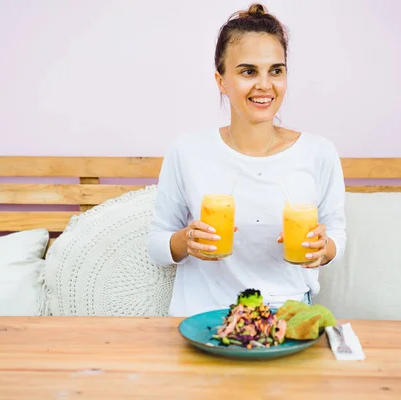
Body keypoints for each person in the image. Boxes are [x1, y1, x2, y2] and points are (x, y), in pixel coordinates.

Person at [147, 3, 346, 317]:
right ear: (221, 81)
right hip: (203, 318)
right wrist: (186, 241)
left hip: (286, 317)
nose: (265, 85)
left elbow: (336, 233)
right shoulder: (187, 151)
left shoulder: (319, 152)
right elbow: (156, 243)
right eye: (248, 71)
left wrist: (326, 248)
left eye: (276, 71)